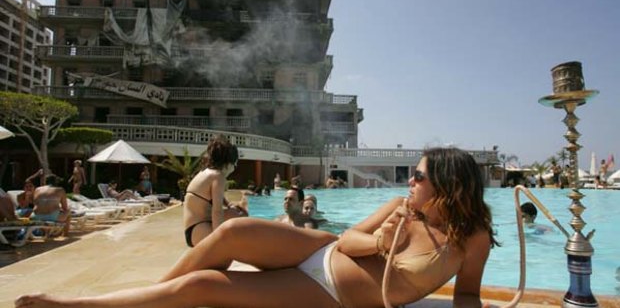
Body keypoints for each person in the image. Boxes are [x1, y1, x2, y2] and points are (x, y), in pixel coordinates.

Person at [15, 147, 498, 308]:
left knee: (203, 285)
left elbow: (468, 296)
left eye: (417, 176)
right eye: (411, 174)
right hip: (324, 251)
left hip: (332, 293)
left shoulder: (470, 236)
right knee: (229, 234)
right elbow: (349, 241)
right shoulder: (398, 207)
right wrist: (378, 239)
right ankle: (153, 298)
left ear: (448, 186)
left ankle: (73, 305)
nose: (409, 181)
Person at [183, 136, 248, 247]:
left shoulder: (205, 173)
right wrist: (218, 241)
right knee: (241, 216)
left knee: (237, 211)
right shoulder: (218, 176)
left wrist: (229, 204)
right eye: (235, 164)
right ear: (228, 164)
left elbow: (215, 197)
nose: (234, 168)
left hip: (193, 230)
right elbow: (217, 211)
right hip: (200, 229)